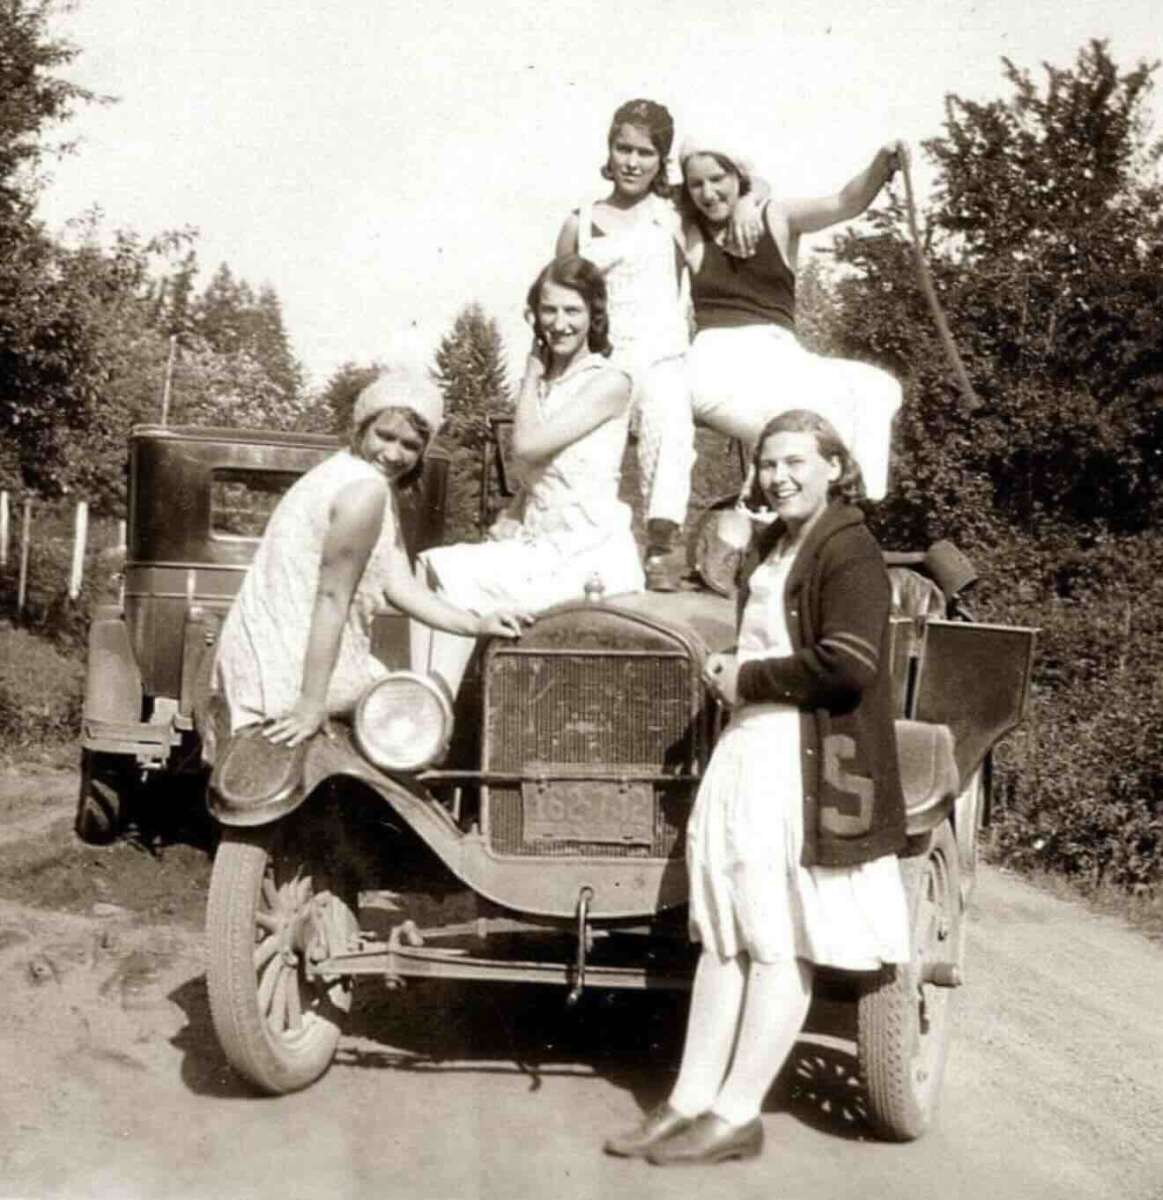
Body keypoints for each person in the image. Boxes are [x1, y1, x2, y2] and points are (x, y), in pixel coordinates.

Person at [604, 409, 911, 1166]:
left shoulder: (849, 549)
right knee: (725, 937)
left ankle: (738, 1112)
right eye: (768, 464)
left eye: (795, 463)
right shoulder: (777, 545)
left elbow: (848, 663)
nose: (778, 477)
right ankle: (687, 1102)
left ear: (834, 467)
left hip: (803, 758)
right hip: (752, 748)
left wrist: (744, 675)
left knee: (776, 942)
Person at [213, 364, 527, 746]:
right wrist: (311, 705)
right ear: (362, 426)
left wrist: (476, 624)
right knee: (418, 734)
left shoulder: (349, 474)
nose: (393, 454)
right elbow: (331, 597)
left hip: (272, 654)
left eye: (410, 445)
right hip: (289, 667)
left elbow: (399, 584)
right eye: (385, 436)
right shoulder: (364, 492)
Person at [554, 100, 767, 591]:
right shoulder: (580, 222)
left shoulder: (676, 212)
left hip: (663, 354)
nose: (631, 162)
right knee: (589, 450)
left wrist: (753, 203)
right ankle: (586, 545)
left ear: (661, 159)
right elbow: (557, 300)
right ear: (609, 150)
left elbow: (745, 187)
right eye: (622, 149)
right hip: (602, 360)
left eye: (645, 153)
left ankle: (661, 545)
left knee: (669, 428)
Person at [656, 132, 907, 537]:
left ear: (738, 175)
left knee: (879, 388)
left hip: (782, 354)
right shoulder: (687, 232)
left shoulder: (776, 216)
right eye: (696, 183)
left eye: (717, 178)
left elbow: (845, 202)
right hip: (719, 360)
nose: (708, 192)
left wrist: (882, 164)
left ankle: (858, 507)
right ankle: (761, 509)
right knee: (804, 424)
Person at [416, 255, 642, 697]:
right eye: (549, 310)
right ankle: (431, 711)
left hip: (588, 552)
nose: (559, 323)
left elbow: (527, 447)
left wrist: (528, 374)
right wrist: (515, 511)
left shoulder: (610, 382)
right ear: (535, 314)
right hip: (544, 546)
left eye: (572, 310)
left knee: (441, 571)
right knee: (434, 569)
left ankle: (433, 706)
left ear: (594, 315)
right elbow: (545, 471)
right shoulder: (547, 384)